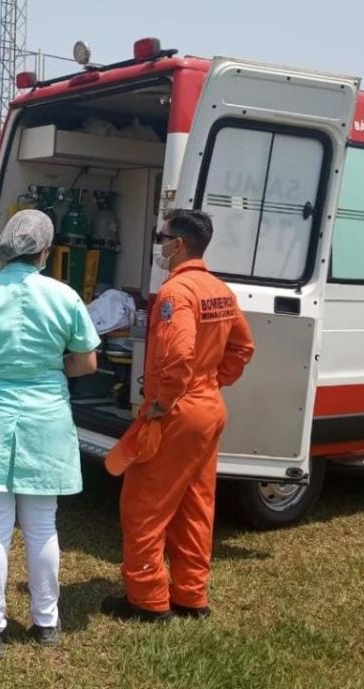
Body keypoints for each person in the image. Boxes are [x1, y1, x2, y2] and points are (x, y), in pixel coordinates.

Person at [0, 209, 100, 660]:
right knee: (42, 524)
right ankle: (46, 621)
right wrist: (49, 368)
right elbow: (86, 362)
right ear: (45, 251)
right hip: (46, 414)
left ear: (6, 247)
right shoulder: (64, 296)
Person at [101, 209, 254, 622]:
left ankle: (147, 600)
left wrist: (162, 403)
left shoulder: (176, 293)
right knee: (195, 505)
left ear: (178, 244)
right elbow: (243, 348)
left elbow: (180, 353)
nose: (159, 245)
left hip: (178, 411)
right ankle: (190, 595)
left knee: (143, 506)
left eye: (160, 237)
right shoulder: (220, 289)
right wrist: (212, 382)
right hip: (207, 408)